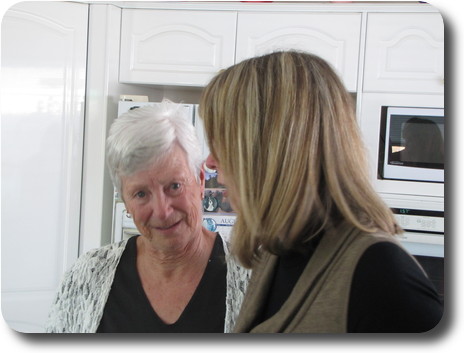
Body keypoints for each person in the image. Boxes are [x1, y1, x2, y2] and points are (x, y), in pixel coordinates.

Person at [199, 51, 443, 333]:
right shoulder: (277, 250)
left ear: (268, 152)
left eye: (223, 142)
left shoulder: (381, 278)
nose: (211, 162)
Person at [45, 100, 250, 333]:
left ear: (201, 181)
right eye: (141, 193)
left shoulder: (251, 275)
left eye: (175, 186)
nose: (162, 211)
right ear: (125, 201)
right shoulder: (85, 277)